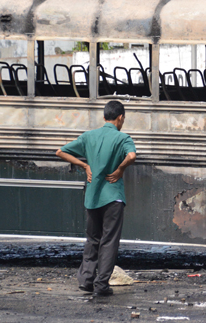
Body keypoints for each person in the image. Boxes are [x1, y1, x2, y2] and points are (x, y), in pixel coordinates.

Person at [56, 100, 137, 296]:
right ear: (120, 118)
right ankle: (102, 285)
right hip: (113, 197)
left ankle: (86, 280)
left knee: (92, 239)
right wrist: (120, 169)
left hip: (92, 197)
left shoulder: (89, 136)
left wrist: (85, 166)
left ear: (104, 117)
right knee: (109, 241)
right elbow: (132, 156)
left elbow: (60, 151)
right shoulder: (123, 138)